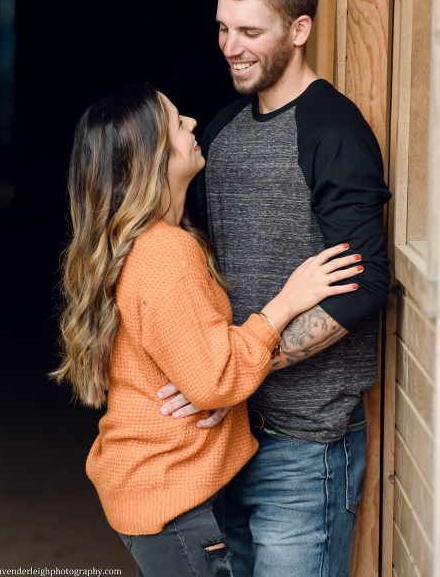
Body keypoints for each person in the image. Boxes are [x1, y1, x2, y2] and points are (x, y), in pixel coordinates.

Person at [51, 84, 364, 577]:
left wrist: (212, 387)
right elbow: (216, 380)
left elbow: (203, 374)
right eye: (177, 123)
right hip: (170, 500)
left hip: (155, 487)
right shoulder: (165, 253)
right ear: (149, 156)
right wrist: (286, 301)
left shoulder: (156, 243)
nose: (192, 124)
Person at [159, 0, 391, 577]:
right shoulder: (222, 133)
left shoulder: (333, 131)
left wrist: (243, 368)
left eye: (250, 32)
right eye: (223, 27)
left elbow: (365, 284)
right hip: (226, 437)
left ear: (298, 30)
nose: (230, 46)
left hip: (305, 449)